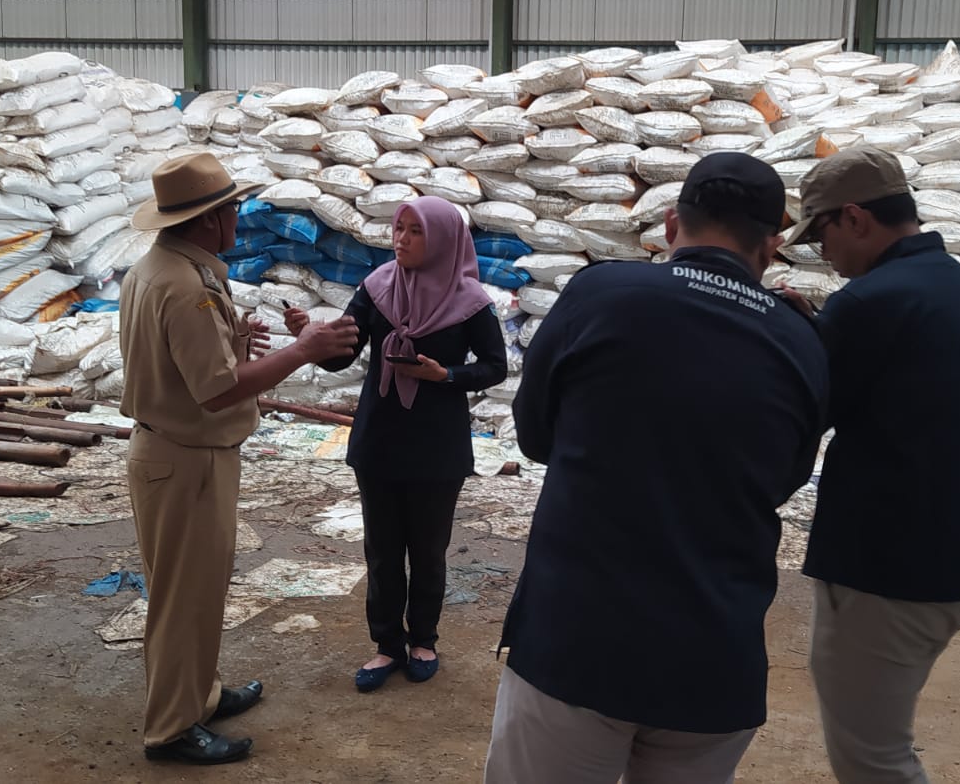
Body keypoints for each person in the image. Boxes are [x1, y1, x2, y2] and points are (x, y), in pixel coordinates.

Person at [483, 153, 829, 784]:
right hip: (714, 660)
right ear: (770, 248)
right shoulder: (801, 339)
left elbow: (534, 437)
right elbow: (784, 479)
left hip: (577, 640)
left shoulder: (600, 292)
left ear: (671, 224)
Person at [119, 152, 360, 765]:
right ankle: (171, 729)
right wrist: (304, 350)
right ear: (208, 220)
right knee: (183, 598)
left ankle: (197, 695)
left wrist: (235, 342)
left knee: (196, 591)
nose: (237, 217)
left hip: (176, 450)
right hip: (186, 458)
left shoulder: (162, 269)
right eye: (231, 209)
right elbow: (218, 390)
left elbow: (183, 364)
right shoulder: (185, 287)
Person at [780, 146, 960, 784]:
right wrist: (823, 329)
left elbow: (803, 414)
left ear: (854, 218)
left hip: (886, 572)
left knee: (873, 759)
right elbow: (903, 388)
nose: (823, 253)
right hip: (954, 555)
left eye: (822, 234)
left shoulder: (869, 302)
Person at [292, 195, 506, 693]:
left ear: (444, 240)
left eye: (415, 231)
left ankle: (423, 641)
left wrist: (445, 374)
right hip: (380, 440)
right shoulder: (377, 287)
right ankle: (387, 644)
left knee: (428, 550)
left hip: (437, 445)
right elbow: (344, 357)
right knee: (383, 551)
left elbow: (495, 366)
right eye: (399, 228)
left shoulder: (469, 300)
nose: (401, 239)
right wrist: (310, 339)